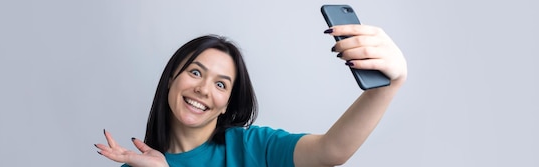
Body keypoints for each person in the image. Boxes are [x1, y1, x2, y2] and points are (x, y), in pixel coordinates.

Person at [94, 24, 408, 167]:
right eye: (195, 72)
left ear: (228, 103)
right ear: (170, 80)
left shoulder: (252, 147)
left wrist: (389, 85)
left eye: (221, 84)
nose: (203, 89)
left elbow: (331, 151)